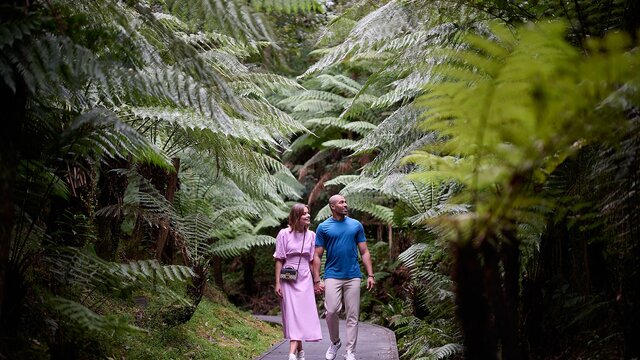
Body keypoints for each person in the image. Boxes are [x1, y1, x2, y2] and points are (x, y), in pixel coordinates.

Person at [313, 195, 375, 360]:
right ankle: (335, 342)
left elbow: (364, 251)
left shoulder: (356, 225)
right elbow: (317, 255)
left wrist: (370, 274)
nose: (345, 204)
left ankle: (350, 351)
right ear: (333, 207)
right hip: (332, 275)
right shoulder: (323, 227)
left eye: (345, 201)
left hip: (353, 276)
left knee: (353, 315)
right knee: (331, 311)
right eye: (341, 202)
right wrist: (317, 279)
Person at [274, 203, 322, 360]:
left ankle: (296, 353)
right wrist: (277, 283)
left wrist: (316, 280)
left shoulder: (312, 235)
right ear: (296, 217)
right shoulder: (284, 234)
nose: (308, 216)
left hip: (305, 277)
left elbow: (312, 260)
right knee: (293, 315)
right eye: (304, 214)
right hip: (288, 276)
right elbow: (279, 259)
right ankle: (294, 354)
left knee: (301, 315)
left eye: (308, 213)